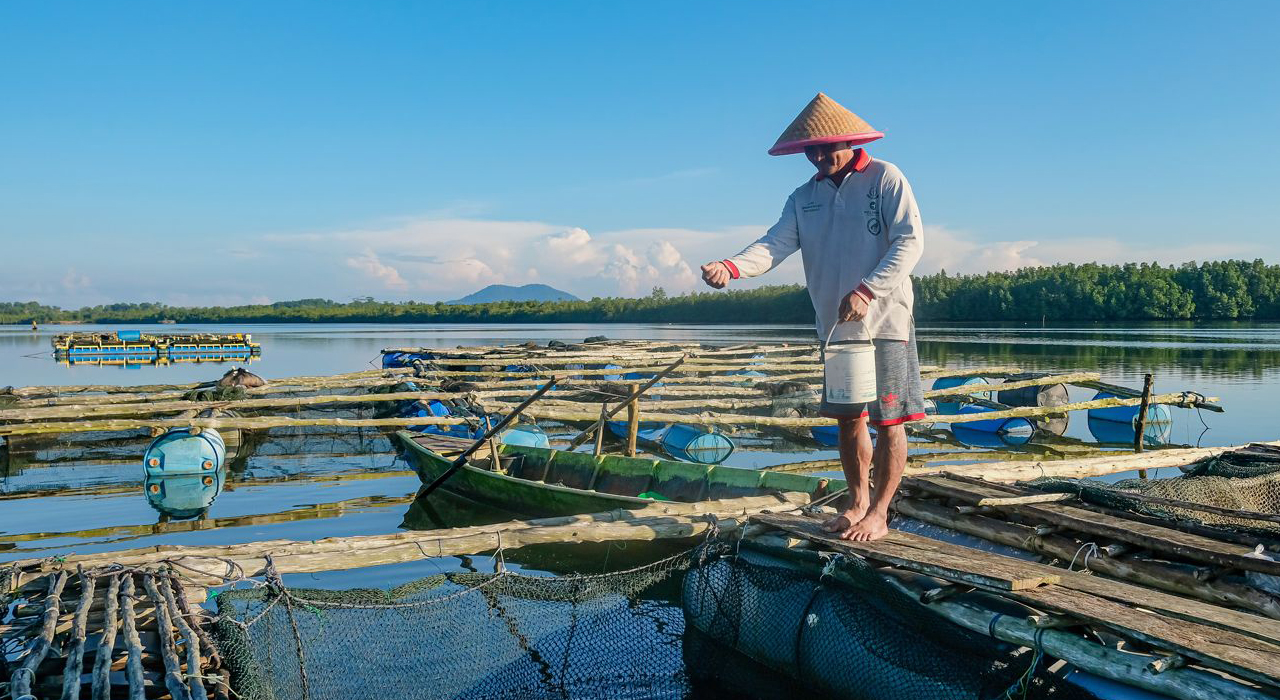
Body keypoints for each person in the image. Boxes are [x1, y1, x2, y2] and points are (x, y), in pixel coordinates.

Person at [700, 92, 925, 541]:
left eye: (828, 147)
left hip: (886, 322)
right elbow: (773, 245)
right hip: (836, 328)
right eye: (812, 150)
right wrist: (731, 266)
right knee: (848, 418)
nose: (821, 156)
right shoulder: (804, 197)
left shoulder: (885, 179)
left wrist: (867, 289)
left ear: (851, 142)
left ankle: (880, 512)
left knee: (889, 420)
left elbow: (910, 241)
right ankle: (856, 501)